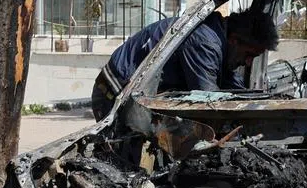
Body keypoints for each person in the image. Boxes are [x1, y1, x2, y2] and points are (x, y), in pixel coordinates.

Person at [91, 6, 279, 120]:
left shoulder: (220, 41)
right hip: (115, 93)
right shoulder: (205, 41)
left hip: (134, 94)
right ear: (235, 40)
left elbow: (232, 88)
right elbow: (209, 101)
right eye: (249, 55)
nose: (247, 63)